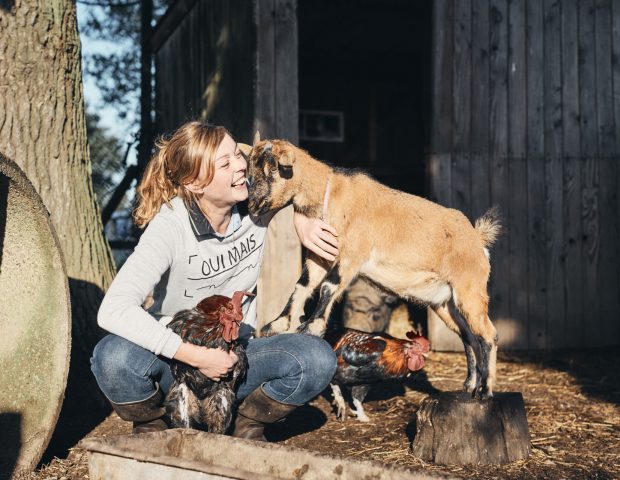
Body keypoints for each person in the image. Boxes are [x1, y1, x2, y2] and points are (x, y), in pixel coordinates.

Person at [91, 121, 339, 439]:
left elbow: (302, 176)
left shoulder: (255, 203)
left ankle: (246, 423)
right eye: (225, 163)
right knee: (112, 357)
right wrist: (196, 356)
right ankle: (154, 424)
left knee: (317, 358)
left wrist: (301, 217)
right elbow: (112, 309)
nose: (240, 166)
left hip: (236, 356)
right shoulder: (171, 225)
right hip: (175, 362)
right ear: (195, 183)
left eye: (237, 154)